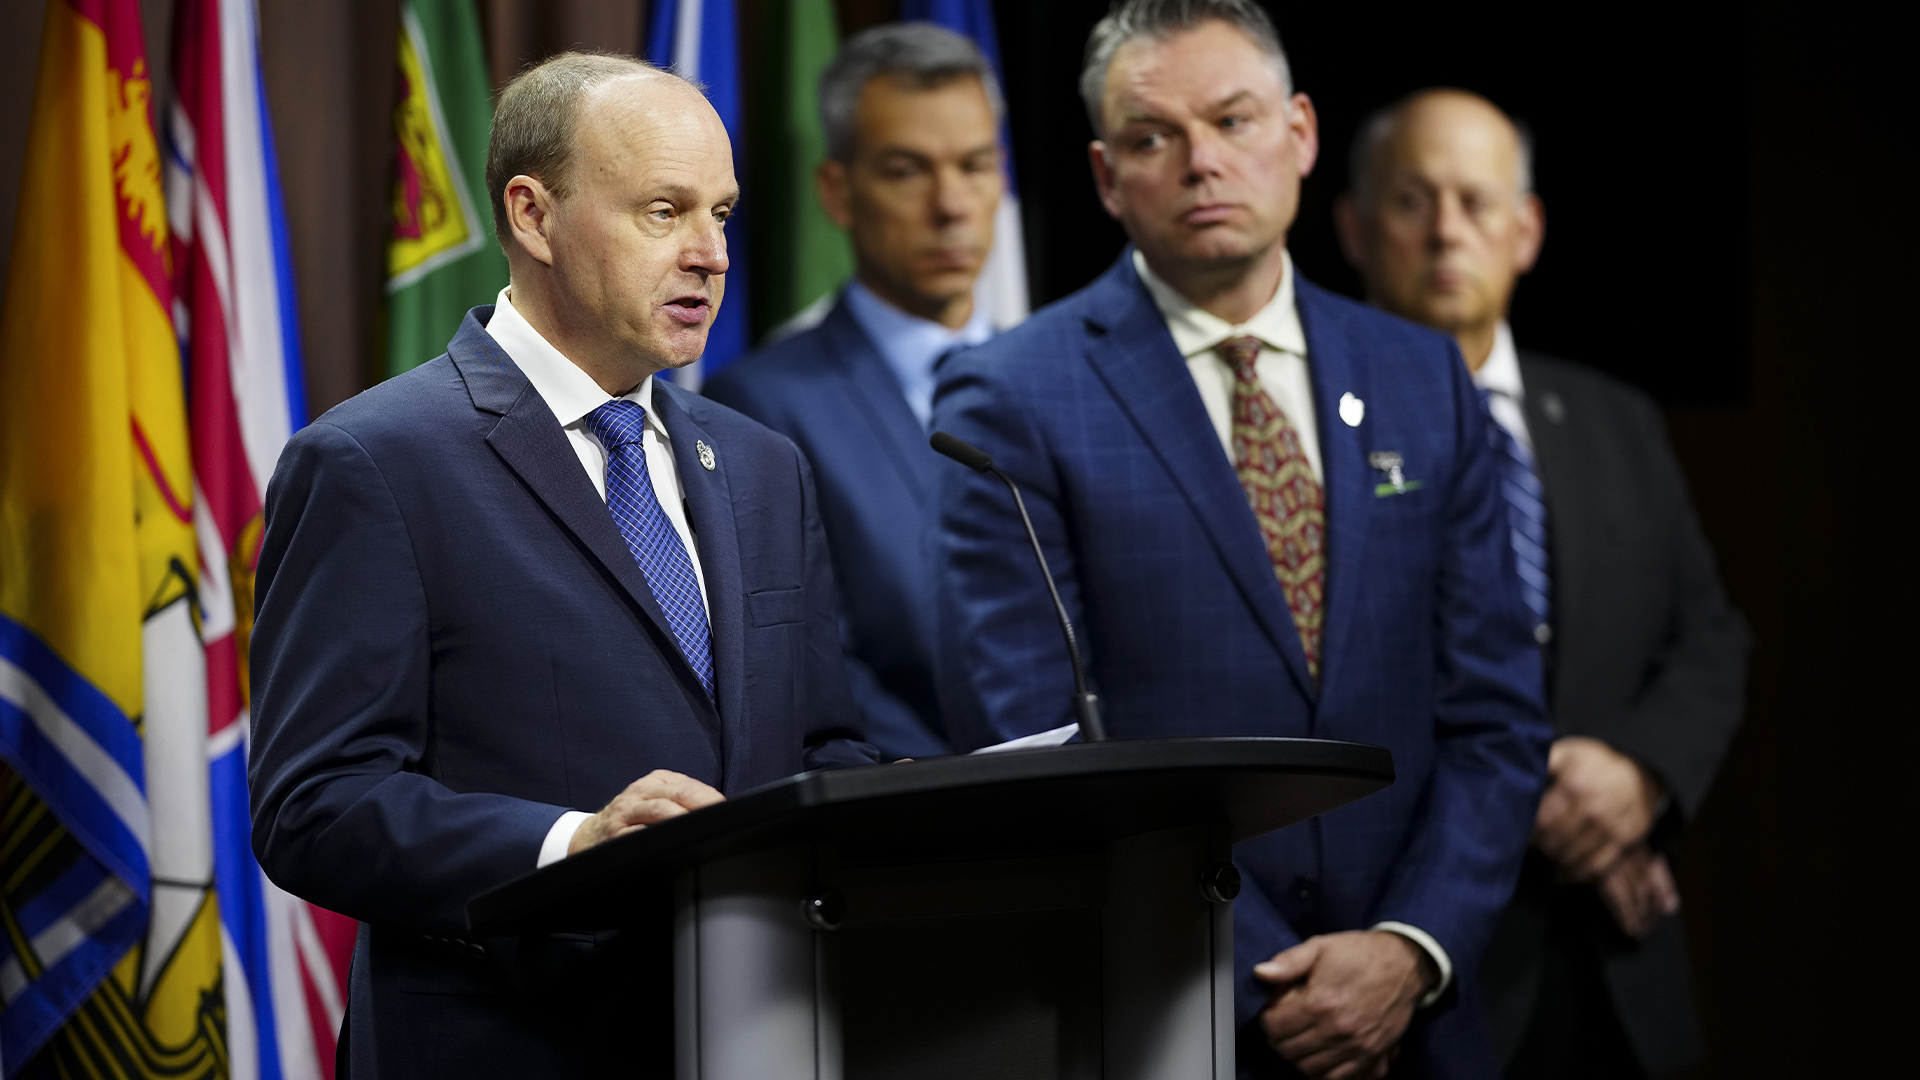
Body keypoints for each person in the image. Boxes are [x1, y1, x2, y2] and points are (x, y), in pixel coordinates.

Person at [931, 3, 1551, 1077]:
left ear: (1301, 133)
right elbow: (1038, 747)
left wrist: (1409, 949)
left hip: (1425, 1022)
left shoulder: (1422, 377)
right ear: (1105, 175)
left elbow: (1495, 716)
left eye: (1233, 119)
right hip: (1177, 1017)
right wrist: (1273, 976)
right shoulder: (1011, 397)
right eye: (1152, 136)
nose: (1202, 162)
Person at [249, 53, 873, 1079]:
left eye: (721, 214)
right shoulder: (376, 463)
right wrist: (571, 845)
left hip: (762, 1035)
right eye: (664, 211)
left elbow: (822, 747)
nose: (711, 255)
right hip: (510, 1044)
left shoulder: (762, 465)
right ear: (532, 215)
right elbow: (316, 805)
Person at [1335, 89, 1749, 1079]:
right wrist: (1548, 811)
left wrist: (1640, 776)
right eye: (1412, 201)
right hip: (1424, 967)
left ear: (1527, 232)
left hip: (1617, 970)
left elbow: (1709, 636)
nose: (1446, 231)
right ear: (1351, 227)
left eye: (1478, 203)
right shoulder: (1318, 436)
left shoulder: (1619, 421)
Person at [703, 22, 1005, 759]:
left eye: (975, 165)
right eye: (907, 170)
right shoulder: (758, 405)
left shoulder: (1063, 377)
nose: (952, 205)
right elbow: (808, 661)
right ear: (838, 192)